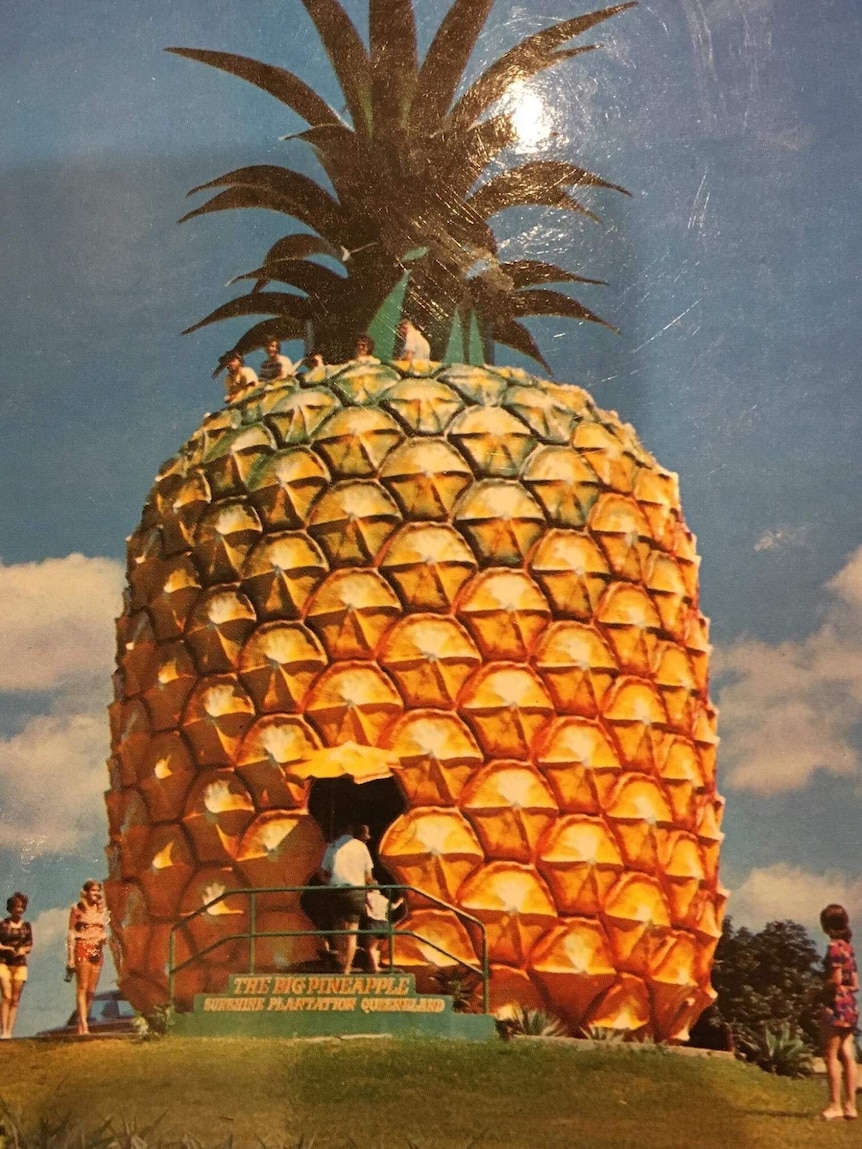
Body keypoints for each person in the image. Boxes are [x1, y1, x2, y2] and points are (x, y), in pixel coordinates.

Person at [819, 903, 858, 1120]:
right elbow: (855, 984)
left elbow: (834, 980)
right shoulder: (849, 949)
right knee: (848, 1054)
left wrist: (816, 991)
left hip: (834, 1004)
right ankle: (851, 1106)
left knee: (830, 1055)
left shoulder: (834, 947)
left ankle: (834, 1105)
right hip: (851, 1004)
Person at [320, 824, 374, 974]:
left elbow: (322, 874)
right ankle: (347, 968)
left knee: (337, 927)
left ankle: (341, 958)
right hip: (355, 892)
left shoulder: (332, 847)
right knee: (352, 932)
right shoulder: (361, 847)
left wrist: (331, 882)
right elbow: (368, 876)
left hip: (336, 891)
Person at [67, 880, 108, 1036]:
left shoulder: (101, 910)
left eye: (98, 890)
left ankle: (84, 1020)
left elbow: (105, 929)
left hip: (97, 950)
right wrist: (70, 958)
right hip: (82, 947)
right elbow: (71, 933)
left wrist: (103, 937)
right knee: (82, 987)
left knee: (91, 990)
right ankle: (82, 1024)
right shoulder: (77, 909)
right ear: (86, 892)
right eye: (93, 890)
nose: (96, 893)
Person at [0, 893, 33, 1039]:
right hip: (3, 962)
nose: (19, 910)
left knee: (15, 999)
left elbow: (29, 945)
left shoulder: (27, 926)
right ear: (11, 908)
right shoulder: (3, 924)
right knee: (6, 996)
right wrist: (7, 949)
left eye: (21, 907)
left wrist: (22, 950)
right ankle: (3, 1030)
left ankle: (9, 1032)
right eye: (16, 907)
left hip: (20, 964)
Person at [363, 885, 403, 974]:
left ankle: (375, 967)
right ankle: (376, 965)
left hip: (374, 922)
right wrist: (400, 901)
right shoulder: (383, 899)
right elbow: (393, 907)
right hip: (384, 923)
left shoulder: (367, 896)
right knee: (377, 947)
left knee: (370, 948)